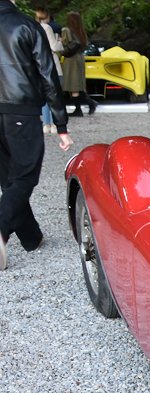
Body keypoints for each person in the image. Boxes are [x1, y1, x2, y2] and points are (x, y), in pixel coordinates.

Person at [0, 0, 73, 271]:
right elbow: (48, 76)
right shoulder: (27, 25)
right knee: (25, 175)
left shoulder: (27, 25)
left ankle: (31, 237)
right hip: (21, 109)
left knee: (9, 179)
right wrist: (61, 125)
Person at [60, 11, 97, 116]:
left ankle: (82, 107)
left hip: (70, 59)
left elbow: (64, 44)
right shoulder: (81, 32)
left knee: (72, 85)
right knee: (77, 84)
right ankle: (84, 106)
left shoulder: (66, 30)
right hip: (79, 58)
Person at [38, 18, 63, 134]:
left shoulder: (30, 27)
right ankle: (55, 124)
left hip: (38, 65)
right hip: (51, 63)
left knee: (44, 96)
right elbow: (54, 46)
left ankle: (45, 124)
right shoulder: (47, 28)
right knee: (54, 95)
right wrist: (60, 42)